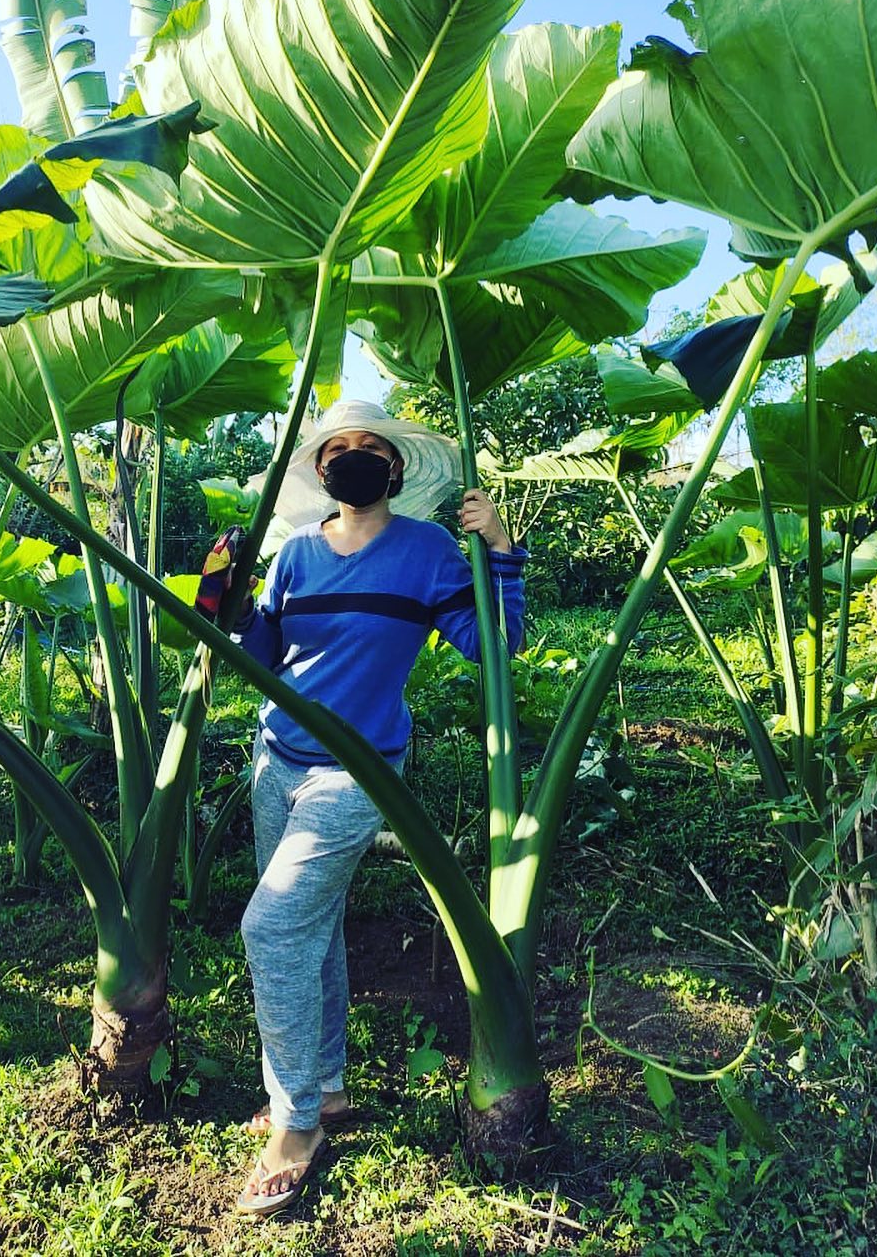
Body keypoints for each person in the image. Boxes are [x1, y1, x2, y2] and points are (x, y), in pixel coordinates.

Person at [229, 401, 526, 1216]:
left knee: (274, 925)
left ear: (395, 469)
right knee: (309, 929)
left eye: (371, 448)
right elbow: (265, 656)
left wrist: (498, 548)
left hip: (358, 774)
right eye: (340, 448)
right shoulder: (294, 554)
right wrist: (229, 604)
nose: (354, 459)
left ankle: (294, 1127)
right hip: (276, 762)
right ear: (321, 469)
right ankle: (322, 1089)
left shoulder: (429, 550)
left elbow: (493, 645)